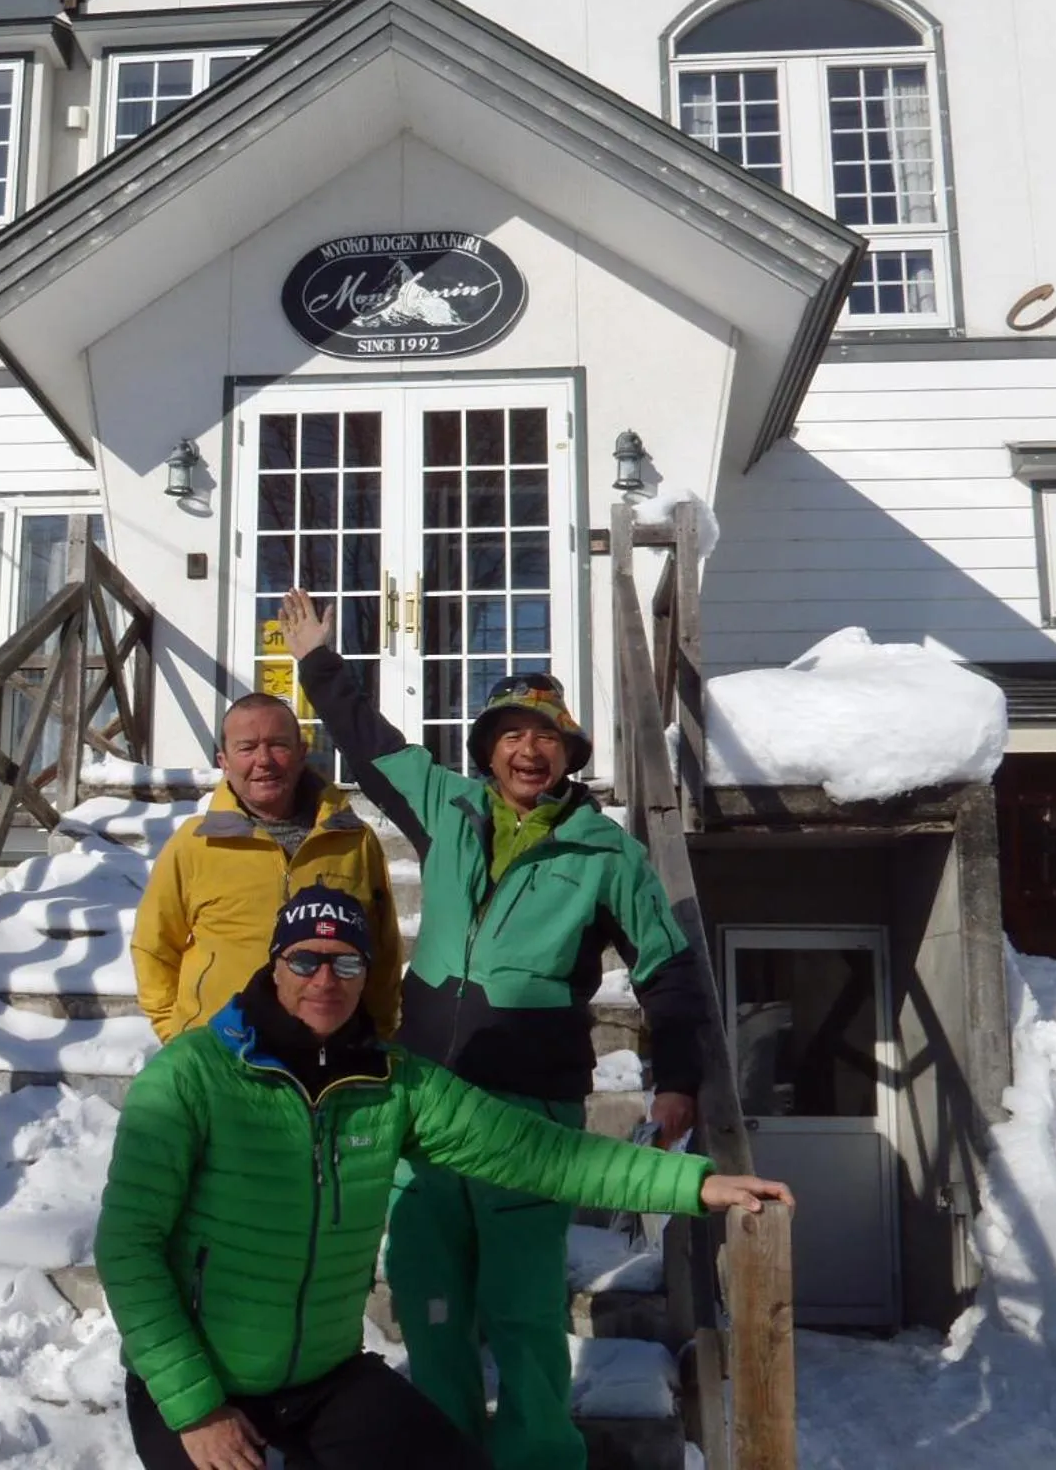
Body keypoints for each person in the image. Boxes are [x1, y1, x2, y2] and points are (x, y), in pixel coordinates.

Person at [97, 887, 790, 1470]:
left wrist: (693, 1184)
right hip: (198, 1384)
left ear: (369, 973)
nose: (324, 979)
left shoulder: (392, 1082)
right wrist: (197, 1409)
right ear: (274, 966)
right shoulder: (191, 1077)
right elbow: (128, 1249)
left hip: (325, 1379)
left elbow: (536, 1152)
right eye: (304, 959)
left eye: (346, 963)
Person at [275, 586, 715, 1470]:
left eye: (547, 736)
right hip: (429, 1110)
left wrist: (677, 1081)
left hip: (529, 1116)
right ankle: (440, 1456)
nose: (529, 748)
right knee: (432, 1306)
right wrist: (319, 663)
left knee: (521, 1315)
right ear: (486, 748)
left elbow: (669, 973)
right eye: (513, 732)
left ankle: (537, 1458)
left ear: (568, 755)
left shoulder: (607, 855)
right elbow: (370, 747)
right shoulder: (447, 810)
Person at [131, 691, 402, 1041]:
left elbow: (383, 953)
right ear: (224, 761)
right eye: (247, 748)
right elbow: (153, 947)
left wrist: (378, 1034)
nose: (264, 760)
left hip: (330, 1053)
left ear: (302, 753)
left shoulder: (353, 840)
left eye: (278, 745)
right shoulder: (194, 844)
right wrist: (178, 1034)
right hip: (221, 1055)